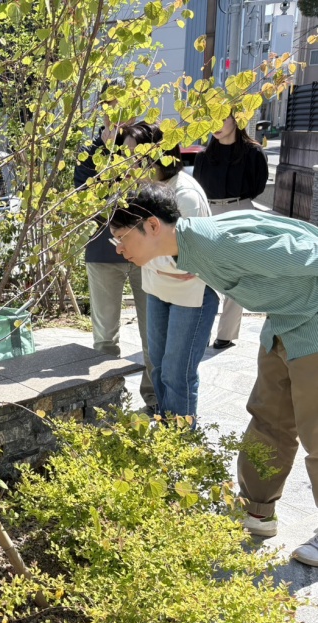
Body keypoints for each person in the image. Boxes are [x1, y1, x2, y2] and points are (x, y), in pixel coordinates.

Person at [108, 181, 318, 565]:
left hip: (313, 325)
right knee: (269, 418)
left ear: (152, 226)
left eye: (121, 238)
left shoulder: (218, 244)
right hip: (282, 324)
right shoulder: (192, 245)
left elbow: (308, 250)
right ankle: (257, 512)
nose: (119, 249)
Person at [120, 122, 218, 420]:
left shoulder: (185, 193)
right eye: (125, 155)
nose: (128, 164)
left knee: (177, 373)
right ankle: (166, 431)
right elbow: (147, 250)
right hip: (157, 289)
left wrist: (146, 256)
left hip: (191, 296)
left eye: (136, 156)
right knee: (158, 367)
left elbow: (187, 260)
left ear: (159, 154)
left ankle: (180, 441)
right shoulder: (141, 190)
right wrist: (153, 257)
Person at [74, 80, 157, 413]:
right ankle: (107, 403)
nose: (117, 112)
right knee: (105, 336)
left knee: (153, 331)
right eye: (110, 104)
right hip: (103, 250)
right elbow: (86, 198)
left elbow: (152, 193)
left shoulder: (146, 144)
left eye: (123, 104)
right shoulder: (91, 150)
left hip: (146, 251)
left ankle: (154, 399)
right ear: (102, 108)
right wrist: (106, 155)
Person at [193, 115, 269, 350]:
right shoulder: (204, 156)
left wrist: (238, 204)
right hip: (209, 212)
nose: (216, 124)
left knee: (237, 275)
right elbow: (198, 186)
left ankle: (225, 334)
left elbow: (258, 185)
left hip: (241, 209)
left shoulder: (253, 153)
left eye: (222, 118)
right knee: (203, 273)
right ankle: (199, 331)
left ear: (237, 120)